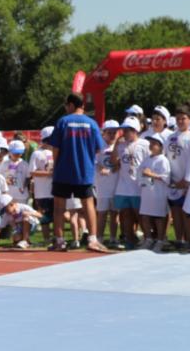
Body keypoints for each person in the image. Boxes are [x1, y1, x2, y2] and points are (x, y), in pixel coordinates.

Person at [48, 93, 108, 252]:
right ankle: (93, 240)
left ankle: (60, 241)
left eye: (66, 105)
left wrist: (57, 165)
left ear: (72, 105)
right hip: (85, 171)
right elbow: (98, 148)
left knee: (59, 206)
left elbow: (56, 149)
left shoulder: (62, 121)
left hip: (63, 171)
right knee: (88, 203)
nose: (66, 108)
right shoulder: (92, 124)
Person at [111, 117, 150, 250]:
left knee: (140, 214)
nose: (125, 133)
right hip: (123, 186)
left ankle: (148, 238)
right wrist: (116, 144)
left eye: (128, 130)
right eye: (124, 130)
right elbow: (113, 162)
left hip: (138, 186)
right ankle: (129, 239)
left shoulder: (144, 144)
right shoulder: (121, 145)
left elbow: (149, 161)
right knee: (125, 214)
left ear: (135, 131)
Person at [165, 106, 190, 250]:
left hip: (187, 184)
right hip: (173, 182)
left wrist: (186, 182)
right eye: (178, 118)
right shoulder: (170, 137)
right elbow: (166, 158)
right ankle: (179, 240)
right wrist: (170, 179)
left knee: (187, 215)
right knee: (176, 213)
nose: (180, 121)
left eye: (183, 118)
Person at [137, 133, 170, 252]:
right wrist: (142, 180)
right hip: (146, 192)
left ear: (161, 146)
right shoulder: (147, 159)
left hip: (158, 193)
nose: (151, 146)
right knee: (145, 216)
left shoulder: (163, 160)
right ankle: (149, 239)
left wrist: (151, 174)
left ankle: (160, 240)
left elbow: (166, 177)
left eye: (154, 144)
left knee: (158, 218)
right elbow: (140, 172)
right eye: (151, 143)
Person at [94, 120, 121, 248]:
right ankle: (99, 237)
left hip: (117, 185)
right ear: (103, 133)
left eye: (114, 132)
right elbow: (94, 162)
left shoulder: (120, 146)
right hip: (103, 186)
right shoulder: (98, 146)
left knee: (115, 213)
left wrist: (118, 165)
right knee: (102, 213)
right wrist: (100, 168)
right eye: (109, 132)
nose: (112, 135)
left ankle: (113, 238)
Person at [29, 126, 55, 244]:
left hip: (55, 189)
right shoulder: (36, 153)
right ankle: (46, 239)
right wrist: (48, 173)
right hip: (42, 191)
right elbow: (33, 172)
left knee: (57, 215)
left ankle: (57, 237)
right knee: (44, 216)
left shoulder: (56, 151)